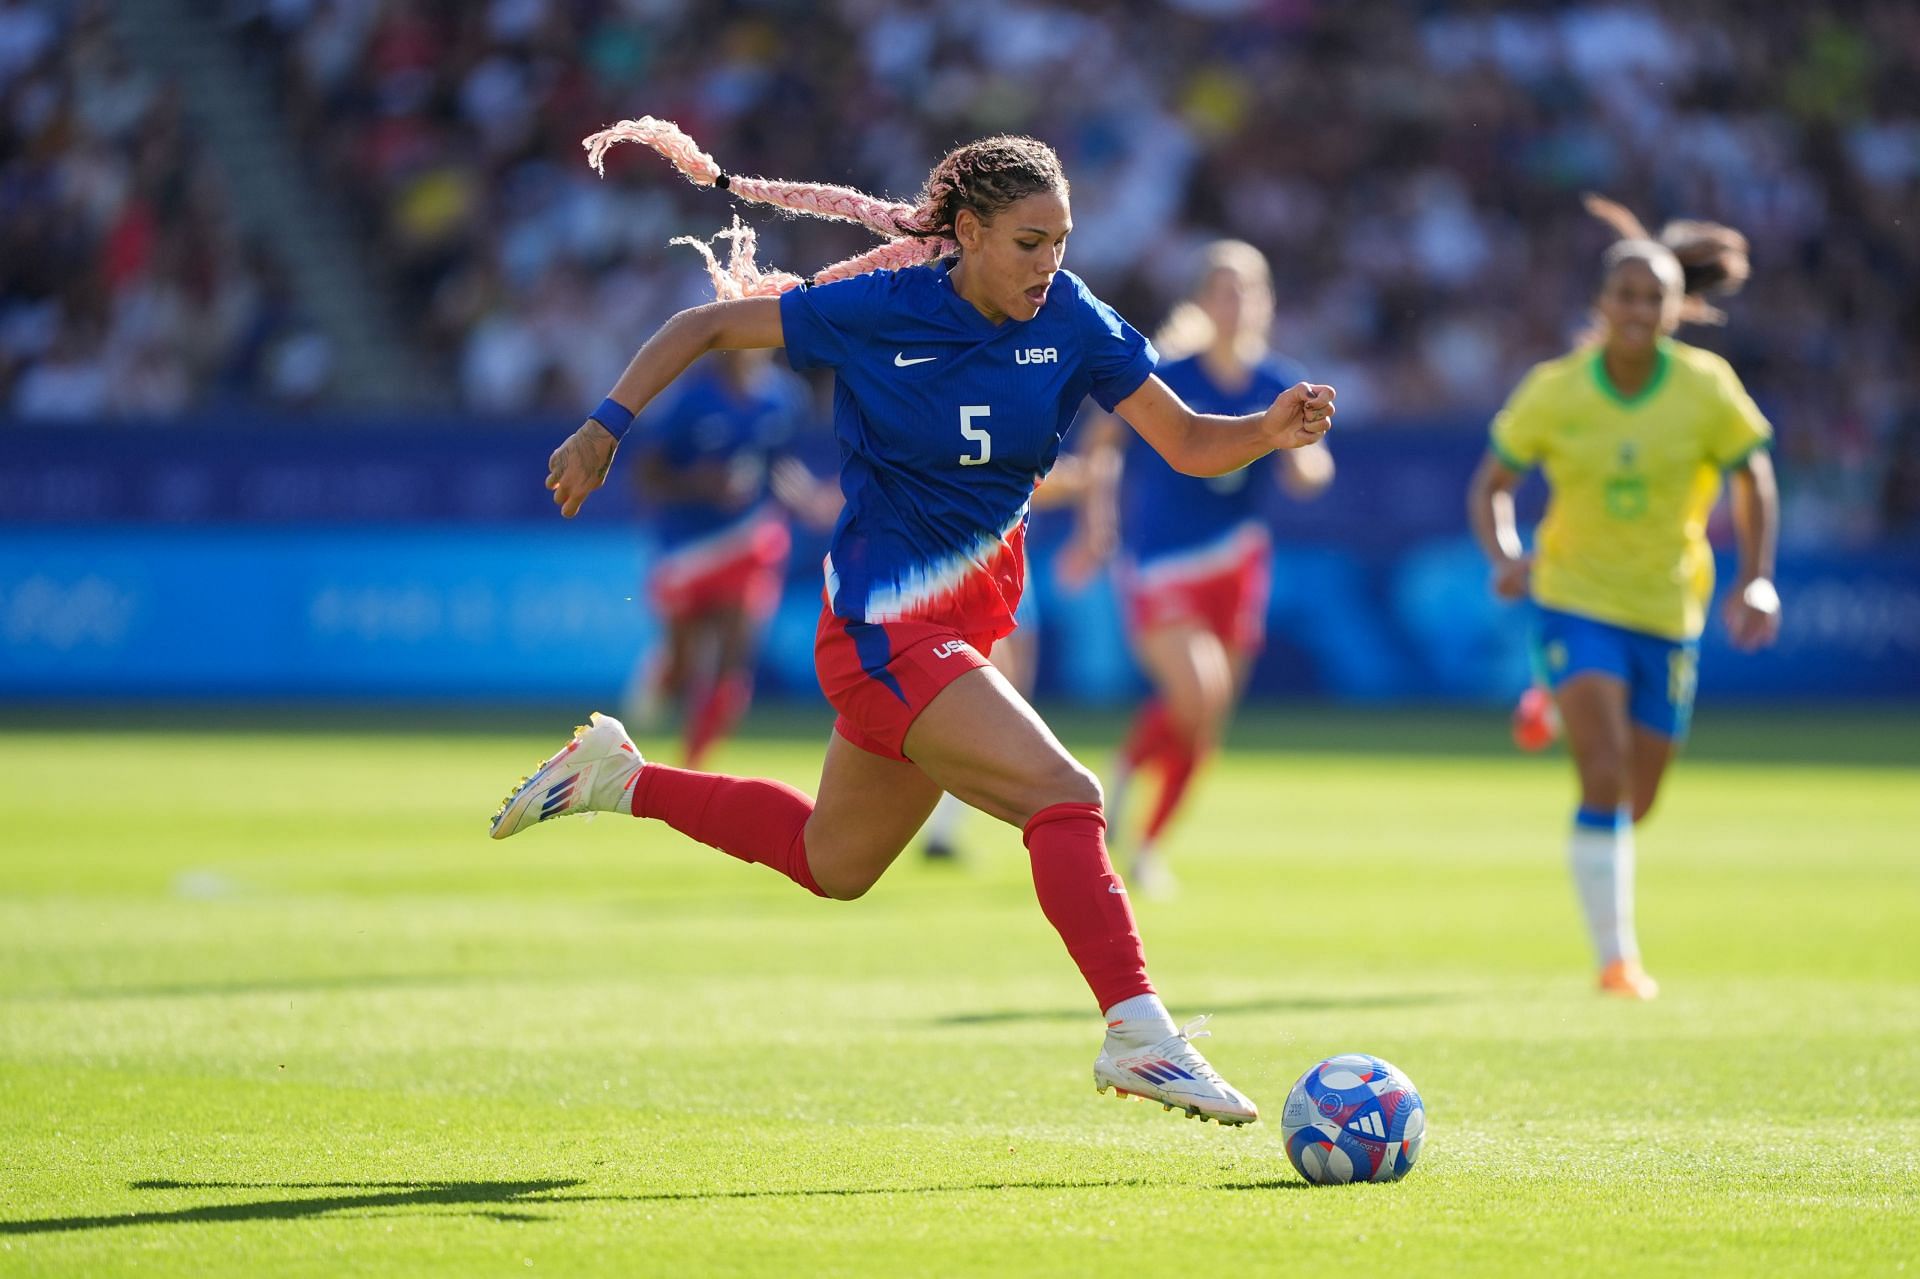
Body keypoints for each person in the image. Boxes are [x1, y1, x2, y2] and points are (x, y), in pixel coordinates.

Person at [490, 117, 1334, 1123]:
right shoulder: (881, 306)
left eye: (1061, 240)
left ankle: (619, 776)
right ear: (967, 231)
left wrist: (1267, 431)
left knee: (831, 862)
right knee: (1065, 797)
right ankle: (1138, 1032)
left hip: (958, 635)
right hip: (885, 631)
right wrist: (604, 426)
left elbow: (1188, 440)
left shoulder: (1072, 319)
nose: (1049, 262)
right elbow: (706, 326)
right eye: (1029, 241)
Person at [1467, 194, 1781, 1000]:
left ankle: (1551, 701)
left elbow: (1753, 476)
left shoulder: (1708, 389)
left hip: (1669, 610)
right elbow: (1493, 483)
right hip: (1573, 597)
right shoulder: (1557, 389)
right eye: (1627, 295)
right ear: (1602, 304)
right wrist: (1506, 553)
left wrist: (1755, 576)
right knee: (1601, 774)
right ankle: (1618, 960)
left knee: (1636, 800)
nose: (1640, 310)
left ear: (1678, 308)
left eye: (1656, 297)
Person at [1072, 240, 1333, 896]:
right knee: (1198, 693)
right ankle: (1119, 782)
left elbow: (1311, 473)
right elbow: (1099, 442)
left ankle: (1148, 843)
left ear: (1267, 304)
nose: (1236, 304)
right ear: (1201, 301)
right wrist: (1096, 522)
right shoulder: (1170, 374)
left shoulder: (1279, 380)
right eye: (1223, 290)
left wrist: (1303, 456)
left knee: (1204, 717)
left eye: (1249, 291)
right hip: (1163, 562)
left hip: (1237, 563)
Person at [624, 347, 824, 768]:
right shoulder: (688, 400)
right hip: (688, 549)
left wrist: (808, 499)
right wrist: (700, 484)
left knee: (733, 663)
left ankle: (691, 766)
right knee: (684, 663)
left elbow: (778, 465)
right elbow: (647, 475)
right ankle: (665, 670)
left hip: (750, 540)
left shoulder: (784, 398)